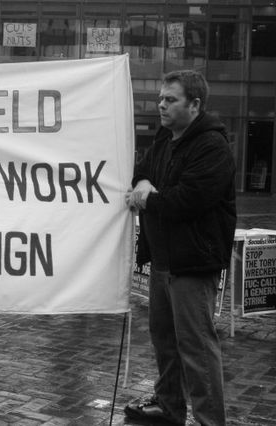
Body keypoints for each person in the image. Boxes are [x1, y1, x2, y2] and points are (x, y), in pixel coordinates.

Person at [124, 70, 236, 425]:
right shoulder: (164, 138)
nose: (161, 105)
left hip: (192, 263)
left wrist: (148, 199)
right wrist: (143, 181)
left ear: (195, 104)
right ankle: (169, 406)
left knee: (196, 347)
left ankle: (209, 421)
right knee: (164, 339)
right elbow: (141, 171)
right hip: (163, 260)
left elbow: (189, 199)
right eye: (161, 98)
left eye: (170, 100)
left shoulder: (212, 146)